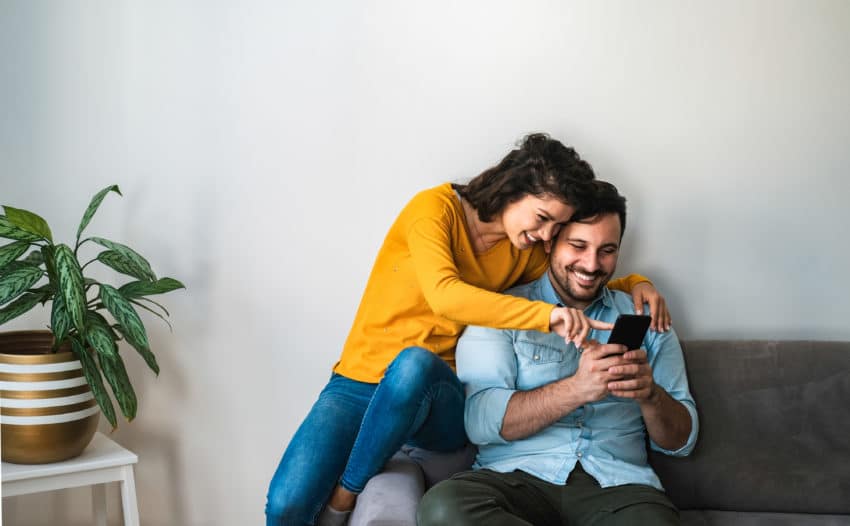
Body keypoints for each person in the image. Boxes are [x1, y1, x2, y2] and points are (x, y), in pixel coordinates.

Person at [265, 134, 672, 526]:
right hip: (360, 378)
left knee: (413, 367)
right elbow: (446, 295)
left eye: (556, 226)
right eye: (544, 218)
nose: (545, 236)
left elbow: (578, 275)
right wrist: (545, 317)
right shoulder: (435, 210)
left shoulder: (523, 251)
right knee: (284, 505)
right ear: (514, 189)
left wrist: (636, 281)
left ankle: (344, 496)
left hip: (434, 393)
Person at [417, 181, 698, 526]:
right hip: (515, 482)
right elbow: (478, 422)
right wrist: (577, 389)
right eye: (578, 245)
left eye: (607, 250)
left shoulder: (648, 317)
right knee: (444, 508)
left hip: (620, 491)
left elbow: (681, 442)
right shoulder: (502, 312)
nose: (591, 264)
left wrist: (650, 395)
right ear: (550, 241)